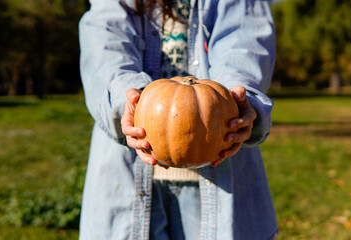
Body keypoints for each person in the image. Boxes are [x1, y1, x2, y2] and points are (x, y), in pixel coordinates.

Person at [78, 0, 278, 239]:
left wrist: (237, 100)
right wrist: (128, 102)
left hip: (220, 178)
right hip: (125, 178)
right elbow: (105, 49)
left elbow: (243, 44)